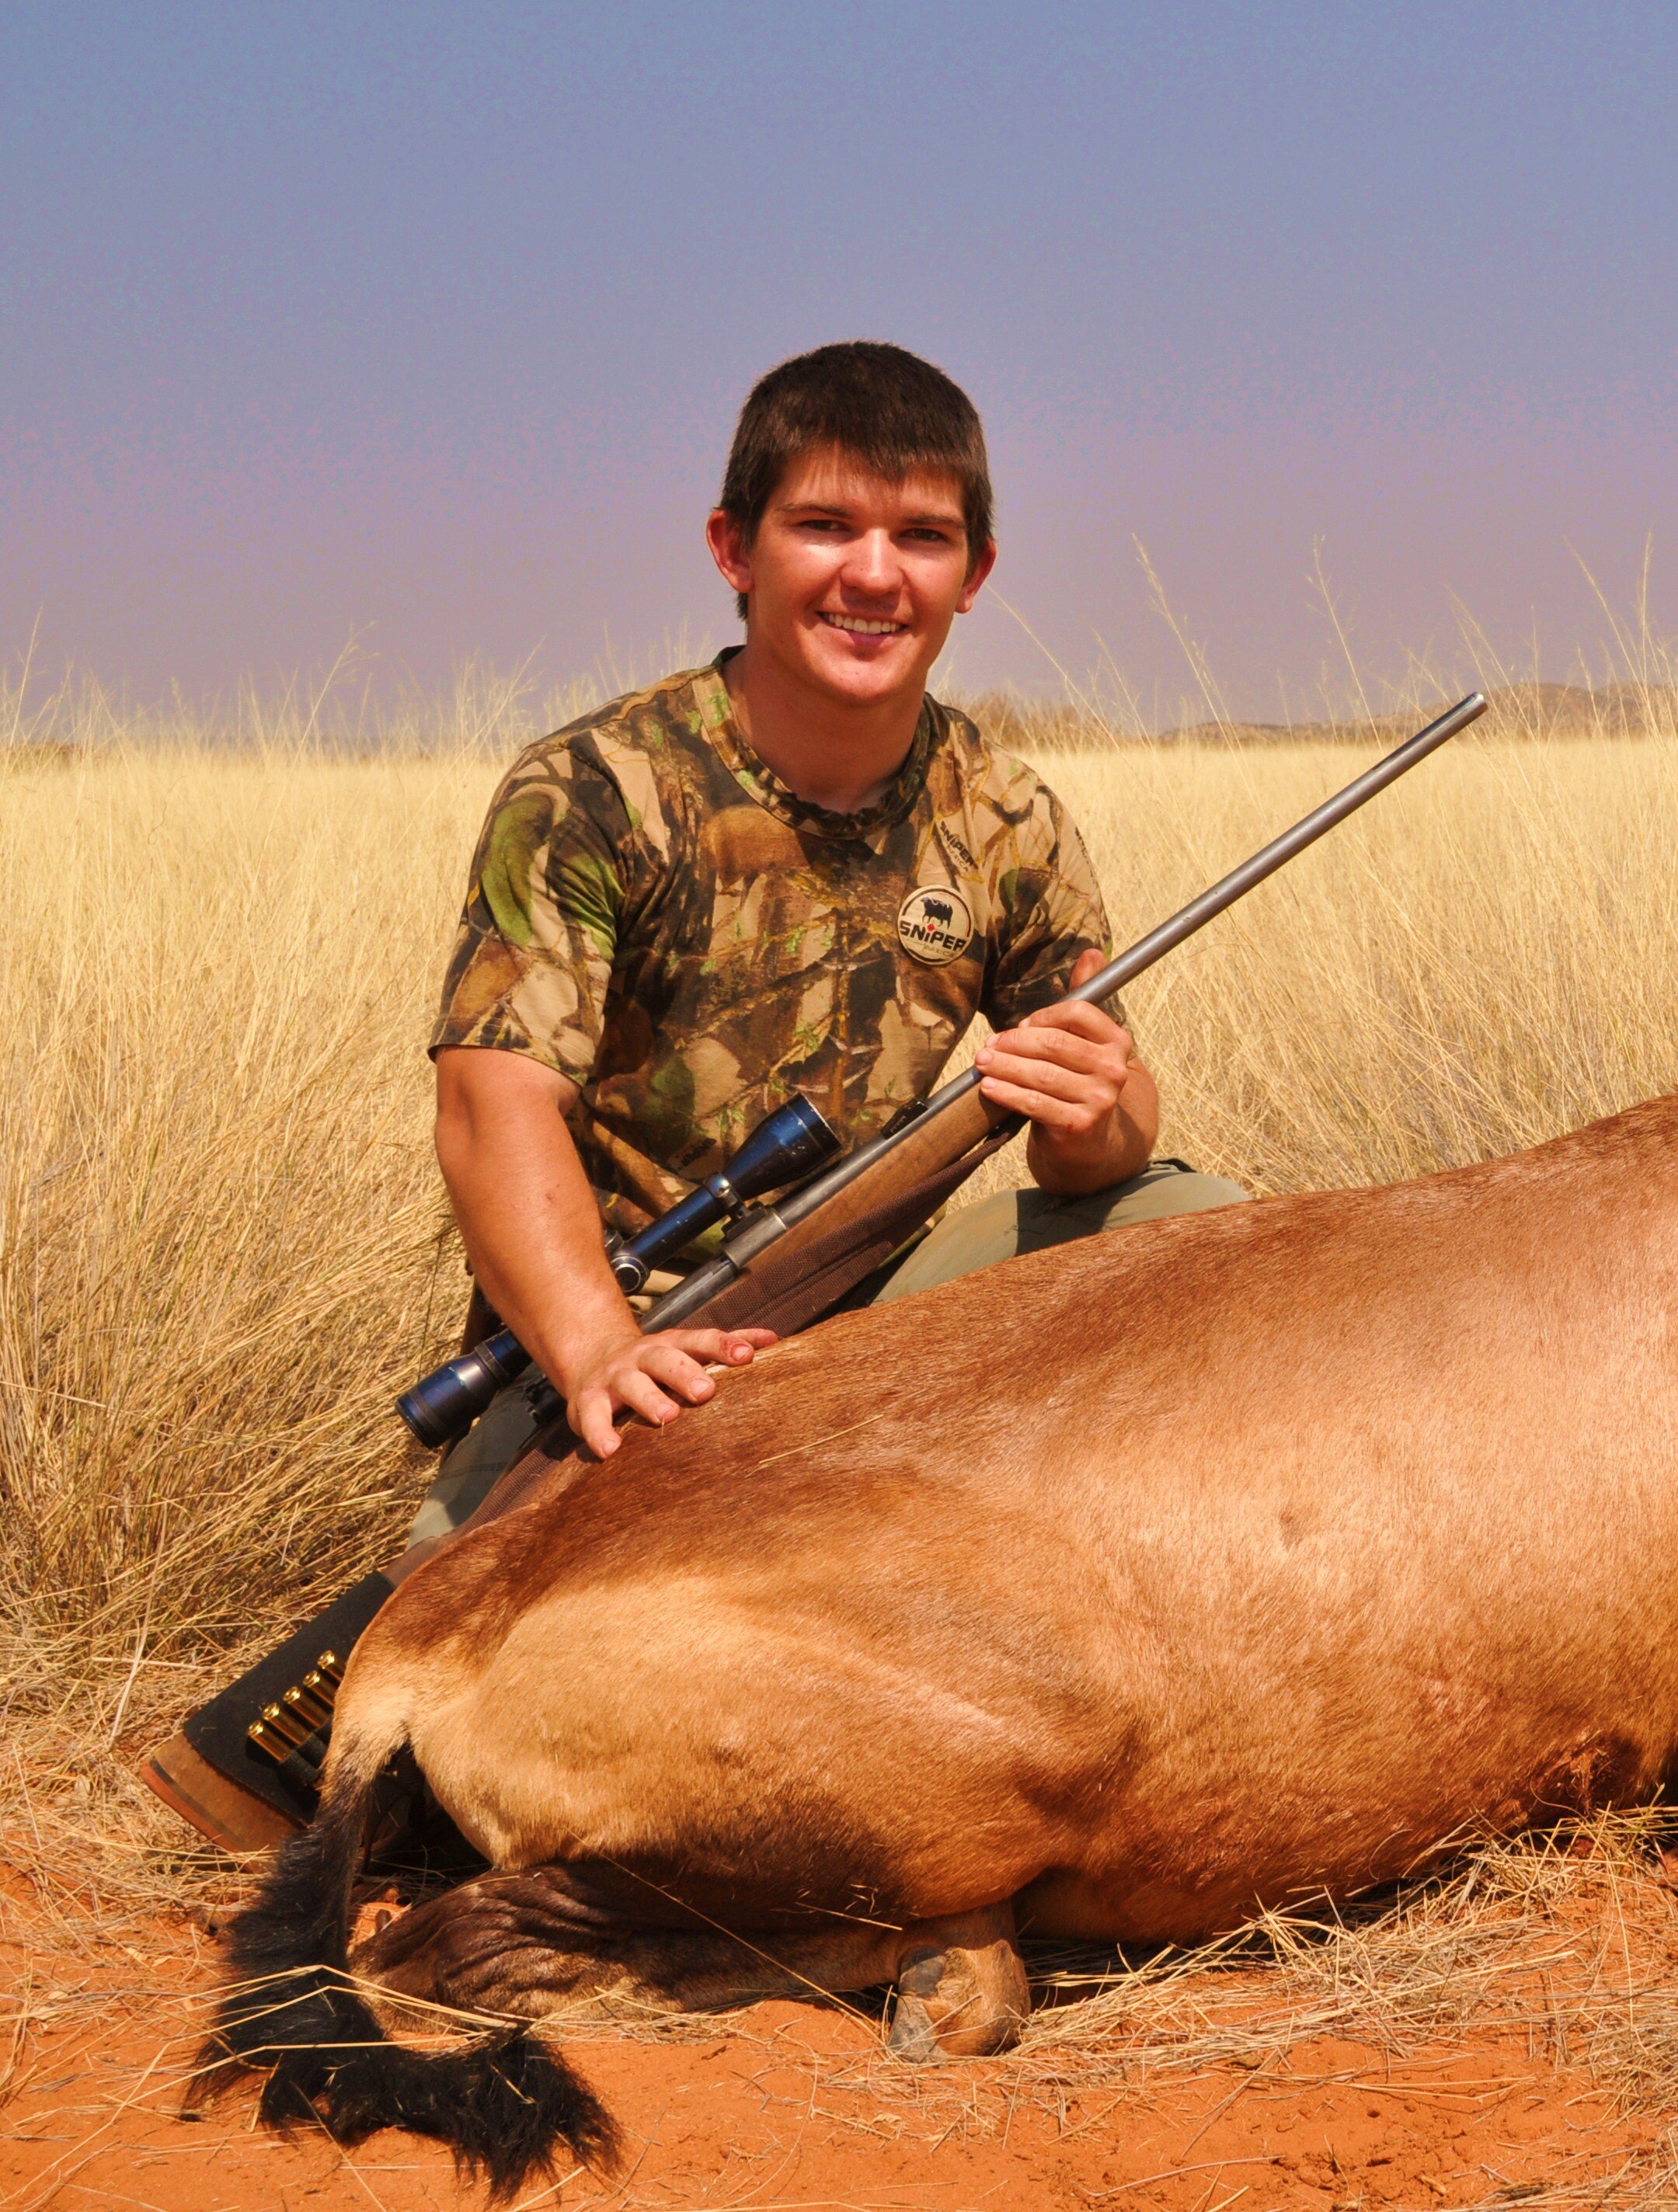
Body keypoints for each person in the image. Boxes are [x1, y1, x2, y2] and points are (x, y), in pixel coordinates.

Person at [138, 342, 1245, 1849]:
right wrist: (596, 1347)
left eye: (919, 537)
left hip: (889, 1295)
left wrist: (1096, 1106)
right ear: (734, 548)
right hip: (643, 1322)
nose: (873, 574)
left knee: (1192, 1219)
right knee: (453, 1695)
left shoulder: (1008, 813)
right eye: (825, 527)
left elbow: (1098, 1144)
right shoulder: (594, 782)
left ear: (975, 571)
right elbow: (492, 1096)